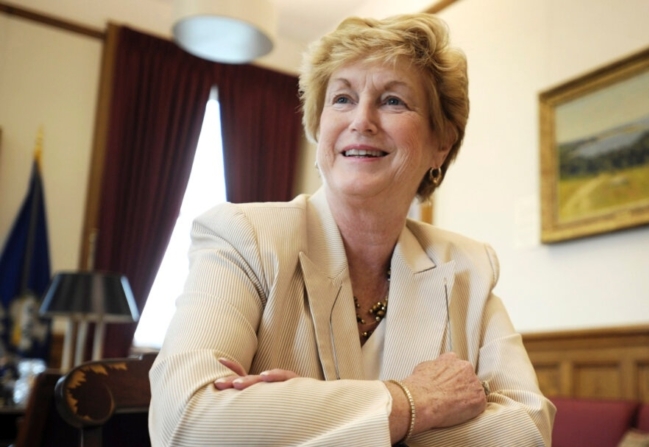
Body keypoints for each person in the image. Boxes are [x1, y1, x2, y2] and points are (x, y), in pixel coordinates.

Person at [149, 13, 555, 446]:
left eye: (393, 101)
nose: (361, 120)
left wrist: (300, 421)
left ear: (441, 143)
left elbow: (526, 430)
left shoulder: (468, 269)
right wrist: (414, 402)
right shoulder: (243, 237)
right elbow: (186, 421)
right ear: (318, 125)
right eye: (342, 99)